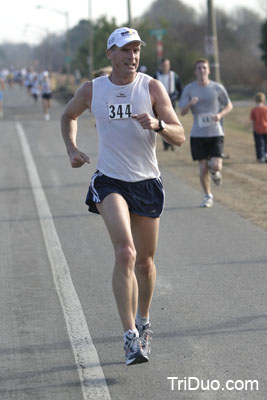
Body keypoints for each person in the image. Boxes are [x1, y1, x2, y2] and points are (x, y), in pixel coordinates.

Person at [61, 27, 185, 366]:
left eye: (136, 50)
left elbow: (179, 135)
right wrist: (72, 148)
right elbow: (68, 115)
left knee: (145, 263)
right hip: (110, 180)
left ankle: (144, 321)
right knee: (126, 252)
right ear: (110, 54)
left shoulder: (152, 87)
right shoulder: (92, 90)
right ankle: (129, 335)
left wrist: (158, 125)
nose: (132, 56)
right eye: (125, 50)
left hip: (146, 183)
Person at [179, 58, 233, 208]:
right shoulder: (189, 89)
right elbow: (182, 111)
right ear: (195, 71)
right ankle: (208, 195)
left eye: (204, 68)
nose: (202, 71)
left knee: (215, 165)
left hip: (215, 132)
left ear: (208, 70)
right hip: (198, 134)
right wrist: (190, 104)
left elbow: (229, 105)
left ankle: (215, 172)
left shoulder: (217, 88)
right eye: (199, 68)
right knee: (203, 167)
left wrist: (220, 115)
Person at [154, 58, 183, 150]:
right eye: (163, 65)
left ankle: (172, 142)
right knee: (162, 123)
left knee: (172, 122)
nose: (165, 67)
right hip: (160, 102)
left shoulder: (174, 75)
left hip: (172, 101)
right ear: (160, 66)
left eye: (167, 65)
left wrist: (179, 98)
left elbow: (180, 88)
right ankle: (165, 144)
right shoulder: (156, 76)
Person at [250, 92, 267, 163]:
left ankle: (260, 157)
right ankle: (266, 155)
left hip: (257, 129)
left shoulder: (254, 110)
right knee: (266, 144)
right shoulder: (266, 108)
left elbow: (252, 121)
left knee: (259, 144)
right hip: (266, 128)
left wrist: (252, 128)